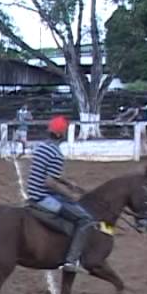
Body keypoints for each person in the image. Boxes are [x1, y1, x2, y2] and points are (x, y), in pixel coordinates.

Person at [27, 115, 94, 272]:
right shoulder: (56, 153)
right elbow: (50, 182)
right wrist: (72, 196)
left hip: (33, 191)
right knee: (85, 219)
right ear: (59, 134)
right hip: (43, 197)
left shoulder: (41, 147)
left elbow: (52, 175)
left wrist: (70, 184)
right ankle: (71, 260)